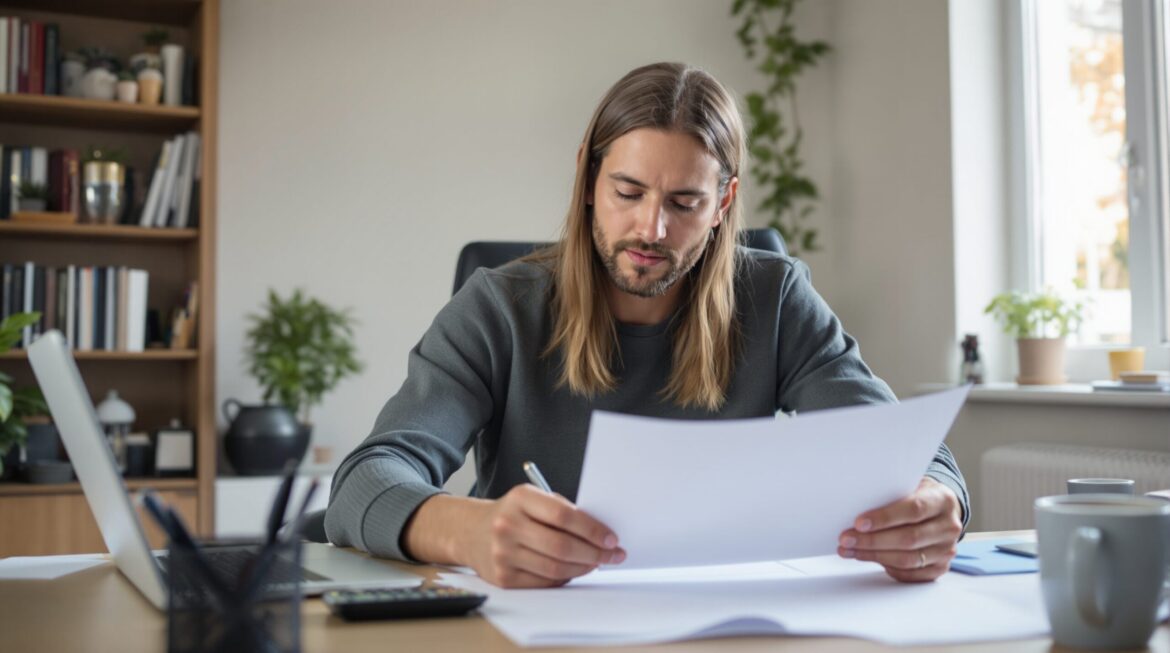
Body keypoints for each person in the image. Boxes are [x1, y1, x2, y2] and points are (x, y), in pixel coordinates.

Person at [325, 62, 968, 588]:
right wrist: (470, 531)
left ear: (723, 203)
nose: (651, 230)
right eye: (628, 193)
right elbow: (364, 481)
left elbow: (907, 454)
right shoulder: (498, 306)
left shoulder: (775, 298)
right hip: (536, 622)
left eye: (684, 202)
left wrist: (936, 500)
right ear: (587, 178)